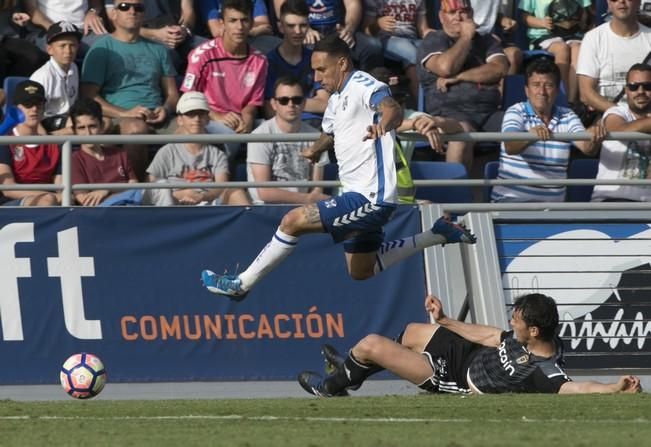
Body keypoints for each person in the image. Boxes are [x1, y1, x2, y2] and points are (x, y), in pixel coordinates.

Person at [200, 35, 477, 299]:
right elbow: (330, 132)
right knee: (361, 270)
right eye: (314, 70)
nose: (317, 77)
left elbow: (390, 108)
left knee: (292, 221)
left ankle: (241, 283)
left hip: (371, 198)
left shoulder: (363, 84)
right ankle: (436, 234)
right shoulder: (334, 100)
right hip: (355, 195)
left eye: (322, 69)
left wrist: (383, 124)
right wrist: (315, 149)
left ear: (342, 63)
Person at [297, 293, 643, 396]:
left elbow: (578, 387)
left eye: (518, 320)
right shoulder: (531, 337)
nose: (512, 321)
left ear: (535, 331)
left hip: (460, 382)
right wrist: (446, 321)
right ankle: (351, 373)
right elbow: (492, 336)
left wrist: (614, 388)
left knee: (372, 344)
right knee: (414, 331)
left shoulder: (543, 371)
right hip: (470, 356)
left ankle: (332, 386)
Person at [80, 0, 179, 181]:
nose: (132, 11)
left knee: (194, 128)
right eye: (125, 7)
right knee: (135, 128)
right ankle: (139, 192)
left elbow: (172, 94)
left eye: (138, 7)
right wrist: (125, 113)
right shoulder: (101, 49)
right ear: (114, 14)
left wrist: (165, 109)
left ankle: (193, 192)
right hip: (121, 118)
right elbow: (89, 96)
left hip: (157, 117)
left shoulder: (159, 50)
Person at [491, 57, 607, 203]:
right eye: (536, 85)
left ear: (557, 90)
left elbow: (587, 148)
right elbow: (510, 146)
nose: (542, 91)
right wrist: (530, 136)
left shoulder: (567, 115)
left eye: (549, 85)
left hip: (554, 210)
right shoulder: (515, 111)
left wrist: (593, 135)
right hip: (511, 205)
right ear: (526, 90)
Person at [416, 0, 509, 170]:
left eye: (464, 11)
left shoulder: (486, 40)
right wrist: (466, 37)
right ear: (441, 16)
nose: (458, 17)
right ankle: (456, 193)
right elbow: (445, 67)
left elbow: (500, 69)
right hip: (452, 116)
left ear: (472, 14)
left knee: (523, 126)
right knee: (462, 134)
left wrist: (459, 77)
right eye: (452, 12)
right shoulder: (433, 40)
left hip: (489, 114)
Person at [181, 0, 267, 162]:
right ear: (222, 24)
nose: (239, 27)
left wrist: (248, 115)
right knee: (226, 135)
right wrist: (216, 115)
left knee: (274, 132)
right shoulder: (202, 55)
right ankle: (223, 183)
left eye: (244, 20)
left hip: (242, 119)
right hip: (207, 119)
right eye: (233, 21)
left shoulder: (260, 60)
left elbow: (254, 101)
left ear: (251, 24)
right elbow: (187, 99)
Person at [145, 91, 250, 206]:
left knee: (237, 192)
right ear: (179, 120)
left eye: (201, 114)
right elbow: (152, 185)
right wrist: (181, 194)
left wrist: (201, 196)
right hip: (172, 204)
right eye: (190, 114)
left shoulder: (218, 153)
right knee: (161, 186)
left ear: (208, 119)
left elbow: (222, 186)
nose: (196, 119)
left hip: (208, 204)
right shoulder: (167, 151)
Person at [248, 77, 329, 204]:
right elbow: (264, 193)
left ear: (303, 104)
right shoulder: (259, 136)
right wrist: (307, 199)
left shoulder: (316, 136)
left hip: (303, 208)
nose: (291, 104)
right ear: (274, 104)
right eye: (284, 100)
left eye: (296, 100)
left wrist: (309, 199)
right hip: (266, 210)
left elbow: (317, 187)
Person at [577, 0, 651, 116]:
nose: (621, 1)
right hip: (608, 120)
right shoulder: (593, 38)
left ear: (638, 2)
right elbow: (586, 93)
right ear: (608, 3)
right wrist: (625, 115)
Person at [592, 63, 651, 202]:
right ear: (626, 90)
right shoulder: (616, 111)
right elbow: (618, 129)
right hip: (610, 201)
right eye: (633, 86)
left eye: (648, 86)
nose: (640, 91)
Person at [263, 0, 329, 122]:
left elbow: (324, 103)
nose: (298, 31)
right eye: (291, 26)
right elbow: (269, 109)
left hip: (315, 125)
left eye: (303, 25)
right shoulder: (268, 62)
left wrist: (285, 102)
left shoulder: (315, 59)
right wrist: (306, 102)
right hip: (283, 128)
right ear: (281, 27)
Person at [273, 0, 384, 71]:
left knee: (372, 46)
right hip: (306, 31)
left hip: (337, 29)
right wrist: (305, 29)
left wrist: (349, 29)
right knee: (312, 50)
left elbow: (352, 4)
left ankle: (368, 92)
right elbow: (283, 8)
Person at [361, 0, 434, 108]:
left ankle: (440, 101)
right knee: (413, 54)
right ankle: (422, 106)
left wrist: (437, 36)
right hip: (387, 39)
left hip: (412, 39)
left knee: (435, 49)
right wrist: (378, 24)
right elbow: (366, 30)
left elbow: (423, 29)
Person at [0, 80, 61, 206]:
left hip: (51, 200)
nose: (34, 109)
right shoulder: (5, 142)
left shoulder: (55, 144)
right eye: (28, 104)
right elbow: (8, 189)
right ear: (16, 109)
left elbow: (60, 186)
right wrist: (50, 196)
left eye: (39, 104)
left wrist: (57, 197)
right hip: (12, 204)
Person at [70, 97, 140, 206]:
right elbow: (84, 200)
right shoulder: (73, 159)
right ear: (74, 131)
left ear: (102, 126)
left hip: (131, 205)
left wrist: (106, 190)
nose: (88, 133)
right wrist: (120, 193)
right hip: (103, 212)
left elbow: (134, 185)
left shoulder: (120, 153)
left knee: (161, 186)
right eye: (81, 128)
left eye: (92, 126)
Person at [519, 0, 592, 105]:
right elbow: (524, 17)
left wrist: (581, 20)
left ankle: (572, 100)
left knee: (578, 50)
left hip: (573, 34)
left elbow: (585, 11)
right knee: (562, 49)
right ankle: (562, 97)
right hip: (544, 34)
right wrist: (541, 23)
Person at [29, 21, 81, 134]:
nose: (68, 51)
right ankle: (49, 140)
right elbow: (32, 114)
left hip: (67, 118)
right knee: (80, 125)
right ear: (49, 49)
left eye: (72, 45)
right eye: (62, 46)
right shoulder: (43, 76)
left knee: (101, 121)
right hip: (45, 122)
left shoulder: (74, 67)